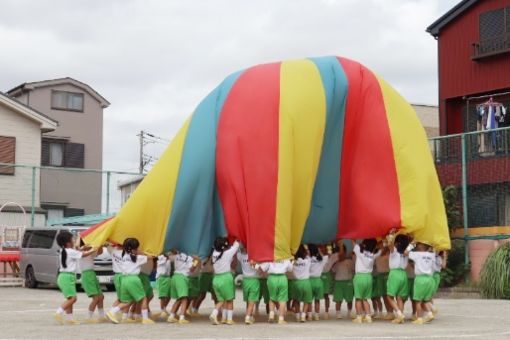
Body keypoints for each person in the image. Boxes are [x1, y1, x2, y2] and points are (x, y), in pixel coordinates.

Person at [106, 238, 155, 325]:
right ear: (135, 248)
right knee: (143, 298)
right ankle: (145, 318)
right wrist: (141, 252)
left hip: (124, 279)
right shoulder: (138, 257)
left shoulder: (122, 255)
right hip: (133, 279)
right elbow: (152, 256)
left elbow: (109, 246)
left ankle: (112, 312)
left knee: (126, 301)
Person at [54, 231, 95, 325]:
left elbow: (76, 252)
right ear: (68, 242)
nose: (74, 241)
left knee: (70, 299)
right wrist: (93, 249)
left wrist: (82, 249)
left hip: (64, 277)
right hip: (67, 277)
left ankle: (69, 319)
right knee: (73, 299)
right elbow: (83, 255)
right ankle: (58, 312)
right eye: (72, 239)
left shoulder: (64, 250)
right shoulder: (70, 251)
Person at [209, 237, 240, 325]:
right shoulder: (227, 254)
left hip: (216, 279)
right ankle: (228, 319)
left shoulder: (214, 254)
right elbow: (236, 246)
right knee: (229, 300)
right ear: (224, 247)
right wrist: (237, 237)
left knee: (221, 300)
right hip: (225, 278)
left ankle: (223, 318)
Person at [351, 238, 382, 323]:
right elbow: (380, 250)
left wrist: (352, 238)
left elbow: (353, 242)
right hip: (369, 277)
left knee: (358, 299)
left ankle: (359, 317)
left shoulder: (360, 252)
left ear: (364, 245)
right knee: (365, 299)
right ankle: (368, 316)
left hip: (359, 277)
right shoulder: (373, 255)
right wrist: (379, 244)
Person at [405, 242, 436, 325]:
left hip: (420, 279)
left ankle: (419, 318)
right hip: (429, 279)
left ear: (421, 246)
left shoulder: (417, 254)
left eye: (419, 244)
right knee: (425, 300)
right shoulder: (432, 255)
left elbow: (405, 253)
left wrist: (411, 245)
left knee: (418, 301)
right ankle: (429, 314)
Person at [256, 259, 293, 324]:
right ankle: (281, 319)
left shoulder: (270, 258)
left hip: (272, 278)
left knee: (272, 297)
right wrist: (292, 261)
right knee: (282, 299)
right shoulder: (286, 258)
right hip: (282, 277)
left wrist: (255, 265)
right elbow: (290, 269)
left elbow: (262, 268)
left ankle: (271, 315)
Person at [78, 239, 106, 323]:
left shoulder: (89, 251)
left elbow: (100, 252)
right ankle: (88, 317)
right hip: (87, 275)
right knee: (96, 298)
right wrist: (92, 247)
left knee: (101, 296)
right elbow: (81, 249)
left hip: (92, 273)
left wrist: (100, 243)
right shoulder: (80, 252)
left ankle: (102, 316)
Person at [167, 251, 199, 324]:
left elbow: (168, 256)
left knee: (179, 299)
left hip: (174, 277)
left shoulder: (176, 255)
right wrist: (196, 261)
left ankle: (171, 316)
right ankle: (182, 317)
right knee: (184, 298)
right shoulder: (189, 257)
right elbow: (192, 269)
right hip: (182, 278)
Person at [385, 233, 410, 324]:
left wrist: (392, 234)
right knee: (399, 297)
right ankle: (401, 317)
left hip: (394, 274)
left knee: (389, 296)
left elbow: (390, 244)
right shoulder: (406, 252)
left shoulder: (394, 250)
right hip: (403, 274)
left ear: (397, 243)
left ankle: (399, 314)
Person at [237, 245, 260, 324]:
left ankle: (250, 315)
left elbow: (237, 252)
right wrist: (255, 264)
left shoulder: (241, 257)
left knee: (248, 300)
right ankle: (247, 316)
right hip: (254, 280)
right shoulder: (255, 257)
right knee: (252, 300)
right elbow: (259, 268)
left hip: (245, 281)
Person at [332, 243, 355, 319]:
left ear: (345, 252)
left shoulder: (350, 261)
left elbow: (353, 270)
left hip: (348, 282)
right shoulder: (336, 263)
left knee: (349, 299)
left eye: (341, 252)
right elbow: (333, 271)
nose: (340, 254)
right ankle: (338, 313)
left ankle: (349, 312)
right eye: (338, 252)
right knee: (338, 299)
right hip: (338, 282)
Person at [291, 244, 312, 323]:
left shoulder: (293, 261)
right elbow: (309, 254)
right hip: (306, 282)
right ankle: (303, 316)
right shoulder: (307, 260)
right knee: (306, 300)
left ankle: (297, 316)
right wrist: (306, 248)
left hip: (296, 282)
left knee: (296, 300)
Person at [308, 244, 329, 321]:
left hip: (309, 281)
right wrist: (319, 251)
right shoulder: (321, 259)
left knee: (309, 300)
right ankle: (317, 316)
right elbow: (326, 256)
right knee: (317, 300)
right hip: (318, 281)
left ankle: (309, 315)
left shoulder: (308, 259)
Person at [156, 252, 173, 320]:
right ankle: (162, 310)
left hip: (168, 277)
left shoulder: (169, 259)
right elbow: (161, 261)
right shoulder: (160, 258)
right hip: (161, 278)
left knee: (169, 295)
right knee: (163, 296)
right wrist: (167, 255)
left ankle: (164, 308)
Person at [321, 243, 336, 319]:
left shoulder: (330, 256)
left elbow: (333, 263)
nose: (323, 249)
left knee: (326, 295)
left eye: (325, 248)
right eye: (322, 248)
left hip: (327, 276)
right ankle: (311, 313)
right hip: (319, 276)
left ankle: (326, 311)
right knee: (316, 296)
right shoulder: (318, 255)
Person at [107, 243, 124, 309]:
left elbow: (108, 245)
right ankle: (111, 312)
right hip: (124, 276)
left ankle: (112, 312)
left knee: (121, 298)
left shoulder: (113, 251)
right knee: (123, 298)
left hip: (117, 276)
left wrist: (114, 242)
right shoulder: (128, 253)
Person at [430, 250, 447, 315]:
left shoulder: (438, 258)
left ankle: (432, 309)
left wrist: (444, 257)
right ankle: (432, 309)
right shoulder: (431, 256)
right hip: (430, 275)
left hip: (435, 275)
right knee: (429, 294)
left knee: (430, 294)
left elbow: (443, 266)